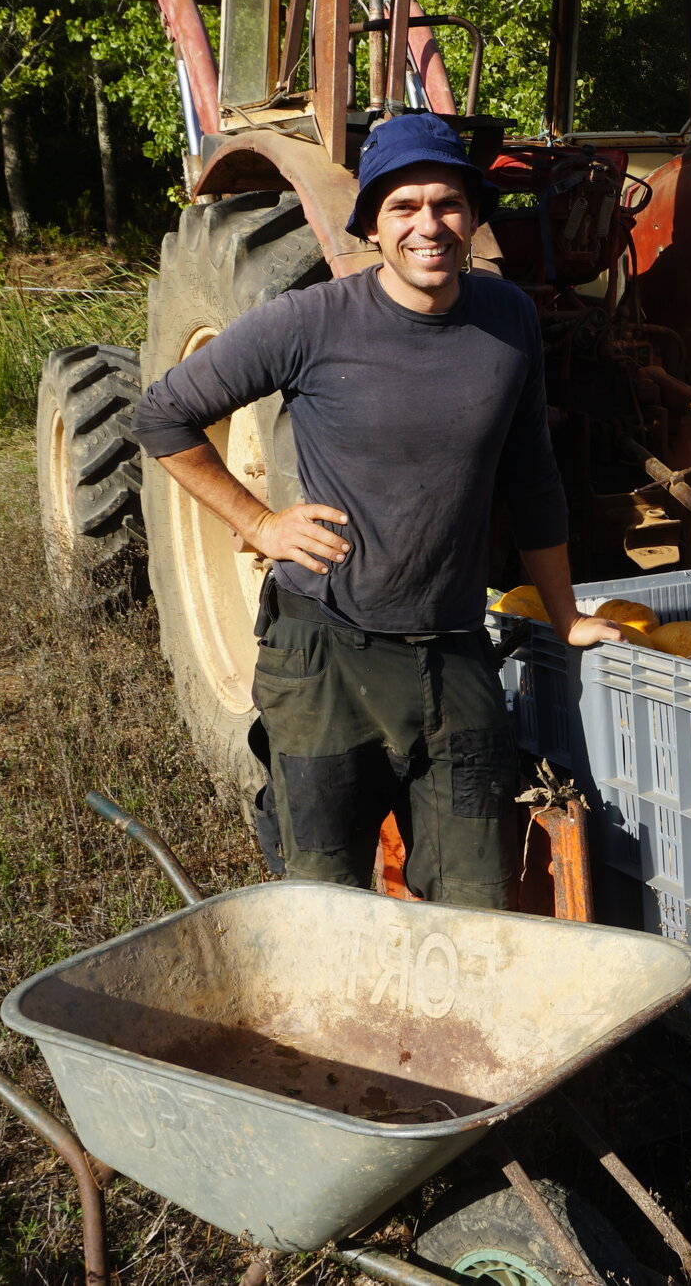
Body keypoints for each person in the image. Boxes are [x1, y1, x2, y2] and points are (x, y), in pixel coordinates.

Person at [134, 113, 628, 906]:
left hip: (454, 653)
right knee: (324, 898)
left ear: (472, 216)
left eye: (446, 204)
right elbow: (163, 415)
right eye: (403, 207)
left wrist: (565, 614)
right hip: (326, 653)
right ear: (369, 223)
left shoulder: (508, 322)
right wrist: (259, 522)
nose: (427, 225)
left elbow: (534, 477)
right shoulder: (312, 321)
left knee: (480, 899)